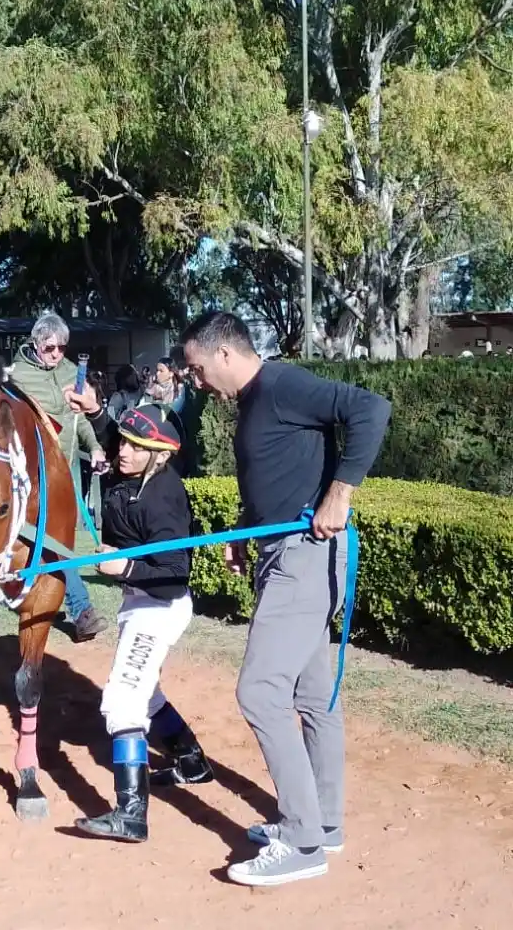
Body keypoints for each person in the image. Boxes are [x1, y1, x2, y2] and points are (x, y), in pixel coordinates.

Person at [179, 311, 391, 887]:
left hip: (306, 552)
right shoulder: (253, 403)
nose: (196, 381)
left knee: (260, 690)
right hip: (279, 550)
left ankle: (301, 842)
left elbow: (371, 409)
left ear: (225, 355)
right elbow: (276, 469)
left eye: (197, 369)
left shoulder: (281, 383)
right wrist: (248, 531)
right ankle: (323, 823)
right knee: (312, 691)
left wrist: (340, 495)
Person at [68, 403, 214, 843]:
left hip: (159, 604)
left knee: (122, 700)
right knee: (145, 692)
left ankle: (131, 814)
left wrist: (124, 569)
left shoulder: (163, 497)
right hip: (140, 603)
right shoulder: (131, 473)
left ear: (160, 454)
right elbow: (116, 431)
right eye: (123, 443)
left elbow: (174, 569)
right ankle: (191, 762)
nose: (123, 451)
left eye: (135, 446)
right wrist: (96, 412)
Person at [9, 311, 108, 642]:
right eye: (51, 348)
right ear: (37, 344)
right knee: (54, 541)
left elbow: (81, 424)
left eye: (62, 348)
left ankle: (54, 602)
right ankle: (82, 611)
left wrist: (94, 448)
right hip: (32, 475)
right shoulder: (19, 377)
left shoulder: (71, 373)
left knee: (55, 542)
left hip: (66, 472)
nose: (57, 354)